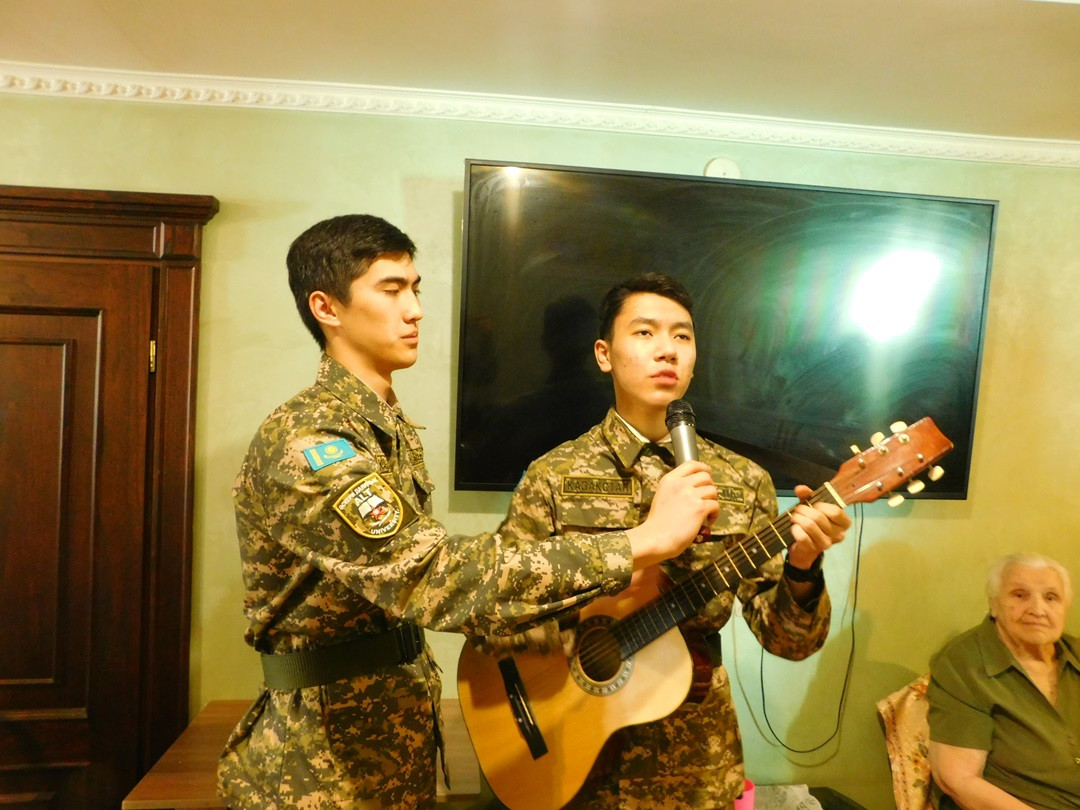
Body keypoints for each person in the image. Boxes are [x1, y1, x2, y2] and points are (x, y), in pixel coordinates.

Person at [216, 216, 720, 809]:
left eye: (415, 288)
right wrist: (641, 542)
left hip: (381, 747)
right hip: (316, 770)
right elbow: (434, 578)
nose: (415, 310)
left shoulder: (383, 428)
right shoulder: (312, 440)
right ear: (327, 308)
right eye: (391, 290)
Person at [469, 272, 850, 809]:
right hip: (569, 748)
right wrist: (582, 635)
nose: (667, 350)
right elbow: (490, 618)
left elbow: (789, 642)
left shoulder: (743, 481)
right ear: (604, 355)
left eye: (682, 336)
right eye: (645, 332)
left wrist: (803, 566)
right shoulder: (553, 476)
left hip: (695, 761)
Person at [927, 553, 1080, 809]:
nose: (1037, 610)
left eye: (1051, 597)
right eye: (1019, 595)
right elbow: (958, 779)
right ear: (994, 604)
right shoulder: (965, 665)